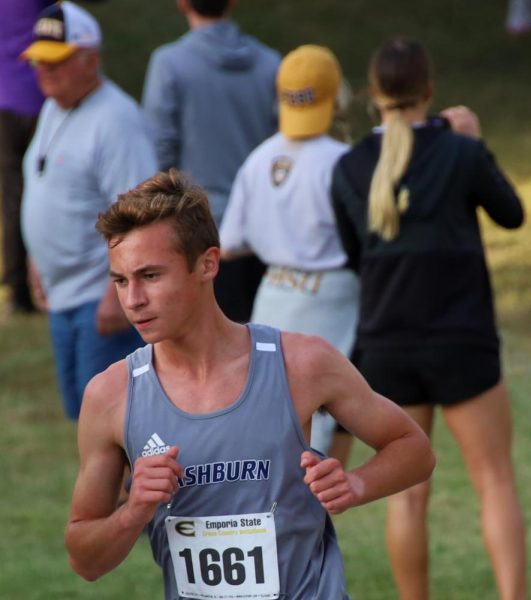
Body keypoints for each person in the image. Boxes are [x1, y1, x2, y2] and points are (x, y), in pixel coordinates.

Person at [65, 169, 435, 599]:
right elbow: (84, 561)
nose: (133, 300)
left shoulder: (302, 363)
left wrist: (356, 485)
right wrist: (133, 513)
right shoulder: (112, 395)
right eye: (121, 280)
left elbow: (414, 449)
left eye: (150, 276)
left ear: (207, 264)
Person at [330, 38, 528, 600]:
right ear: (430, 90)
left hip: (387, 342)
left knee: (407, 496)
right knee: (494, 481)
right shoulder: (460, 152)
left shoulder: (348, 166)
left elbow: (352, 257)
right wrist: (475, 144)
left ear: (373, 95)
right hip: (462, 338)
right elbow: (511, 214)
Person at [220, 45, 358, 461]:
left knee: (270, 418)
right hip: (330, 298)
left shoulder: (259, 158)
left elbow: (229, 243)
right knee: (318, 428)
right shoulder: (343, 161)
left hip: (274, 293)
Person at [20, 1, 155, 420]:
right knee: (84, 418)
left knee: (115, 423)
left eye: (57, 62)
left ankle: (131, 490)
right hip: (63, 295)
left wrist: (117, 293)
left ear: (91, 60)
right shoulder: (52, 107)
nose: (44, 71)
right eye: (41, 61)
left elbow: (140, 216)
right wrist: (35, 259)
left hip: (99, 299)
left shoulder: (116, 120)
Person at [142, 0, 280, 323]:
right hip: (264, 230)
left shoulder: (169, 64)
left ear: (182, 3)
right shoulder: (271, 63)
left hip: (203, 232)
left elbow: (160, 153)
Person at [0, 0, 54, 314]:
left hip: (5, 100)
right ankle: (42, 282)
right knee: (44, 192)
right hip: (38, 97)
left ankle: (17, 289)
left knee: (12, 197)